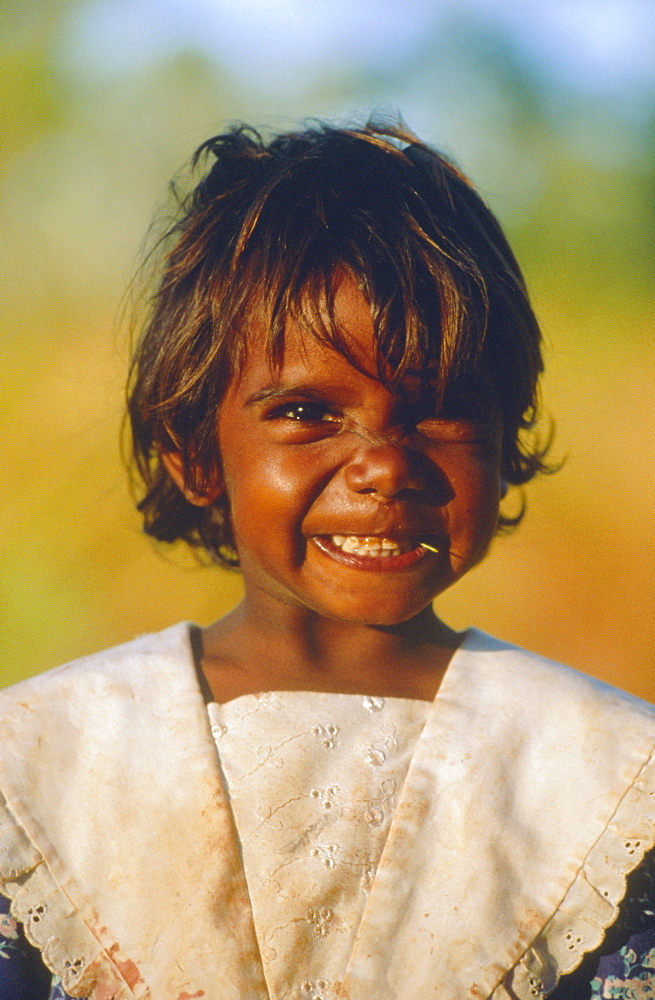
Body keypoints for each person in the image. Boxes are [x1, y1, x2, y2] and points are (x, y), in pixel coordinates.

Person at [1, 120, 653, 1000]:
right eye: (308, 412)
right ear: (195, 452)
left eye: (442, 407)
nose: (384, 464)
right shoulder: (39, 767)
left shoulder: (612, 781)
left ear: (504, 442)